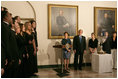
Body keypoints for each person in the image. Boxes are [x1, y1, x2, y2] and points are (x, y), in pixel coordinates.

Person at [1, 10, 21, 78]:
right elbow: (6, 44)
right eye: (10, 16)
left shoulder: (7, 27)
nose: (11, 18)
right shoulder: (3, 26)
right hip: (9, 58)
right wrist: (9, 58)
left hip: (12, 57)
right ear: (5, 17)